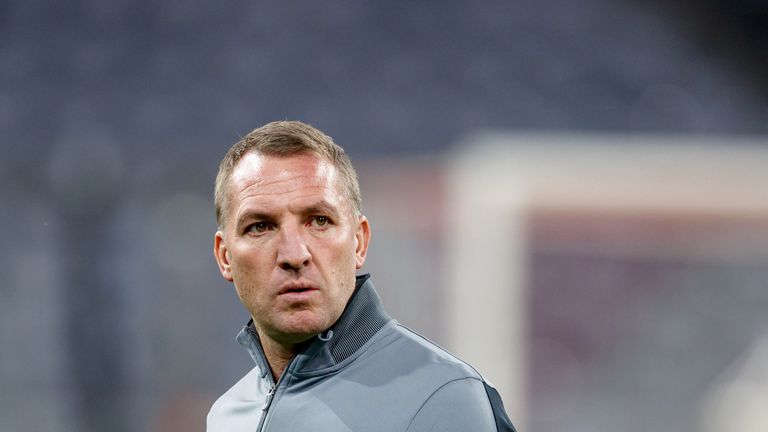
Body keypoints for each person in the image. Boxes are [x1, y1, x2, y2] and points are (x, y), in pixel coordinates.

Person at [208, 120, 516, 431]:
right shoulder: (225, 416)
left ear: (359, 241)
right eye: (260, 226)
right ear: (225, 257)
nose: (294, 254)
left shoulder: (445, 399)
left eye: (319, 220)